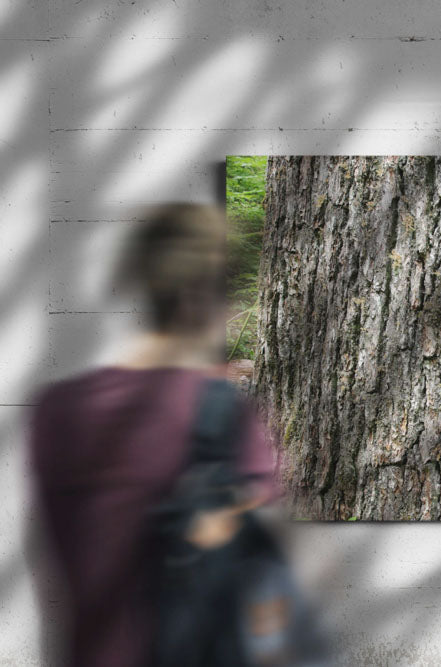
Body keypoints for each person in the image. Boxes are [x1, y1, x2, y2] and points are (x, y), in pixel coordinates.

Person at [30, 204, 278, 667]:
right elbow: (267, 578)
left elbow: (55, 574)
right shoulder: (219, 411)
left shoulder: (55, 410)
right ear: (201, 295)